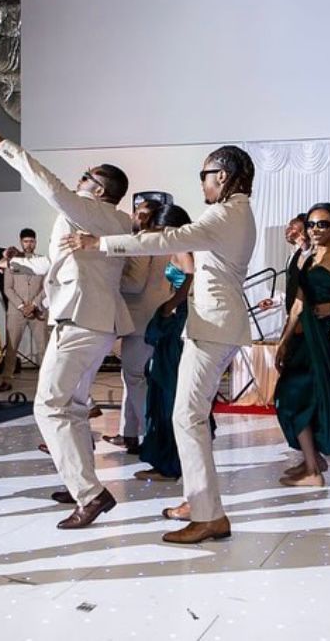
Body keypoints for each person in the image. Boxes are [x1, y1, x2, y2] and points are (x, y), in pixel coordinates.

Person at [64, 146, 257, 544]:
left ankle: (208, 515)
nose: (202, 183)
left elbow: (170, 238)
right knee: (189, 416)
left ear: (222, 175)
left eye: (204, 174)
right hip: (215, 324)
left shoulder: (225, 214)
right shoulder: (237, 213)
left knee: (187, 417)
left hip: (214, 326)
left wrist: (101, 243)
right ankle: (198, 502)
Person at [0, 124, 132, 530]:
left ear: (99, 190)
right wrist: (18, 262)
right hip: (96, 321)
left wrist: (9, 149)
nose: (79, 179)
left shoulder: (90, 211)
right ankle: (78, 483)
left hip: (79, 319)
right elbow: (63, 265)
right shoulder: (113, 220)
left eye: (86, 176)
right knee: (74, 408)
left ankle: (90, 494)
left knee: (48, 405)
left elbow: (51, 187)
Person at [273, 203, 330, 487]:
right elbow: (298, 304)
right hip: (303, 334)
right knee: (294, 395)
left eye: (323, 224)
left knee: (296, 394)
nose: (315, 229)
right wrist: (284, 341)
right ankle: (312, 460)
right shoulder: (307, 257)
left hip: (328, 334)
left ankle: (313, 470)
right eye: (312, 224)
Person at [105, 197, 176, 454]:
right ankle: (129, 434)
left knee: (135, 378)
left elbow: (134, 284)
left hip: (139, 320)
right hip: (159, 316)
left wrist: (110, 280)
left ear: (146, 217)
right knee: (134, 377)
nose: (135, 216)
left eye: (139, 213)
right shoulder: (167, 240)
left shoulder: (142, 241)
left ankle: (151, 435)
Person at [134, 204, 198, 481]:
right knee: (162, 386)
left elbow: (191, 279)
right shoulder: (180, 247)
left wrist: (170, 304)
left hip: (178, 321)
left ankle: (171, 464)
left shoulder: (184, 249)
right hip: (174, 319)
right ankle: (166, 461)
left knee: (168, 388)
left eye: (162, 230)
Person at [0, 228, 51, 392]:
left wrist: (34, 304)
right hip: (16, 312)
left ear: (36, 242)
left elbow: (47, 286)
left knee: (43, 348)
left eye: (32, 241)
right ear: (21, 242)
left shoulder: (42, 261)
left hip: (38, 310)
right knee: (12, 347)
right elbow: (8, 288)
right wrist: (22, 306)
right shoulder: (11, 261)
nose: (29, 244)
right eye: (26, 241)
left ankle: (47, 382)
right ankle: (7, 379)